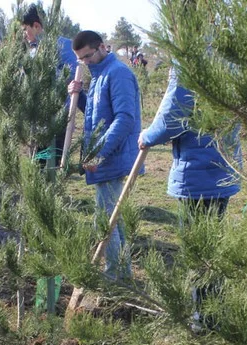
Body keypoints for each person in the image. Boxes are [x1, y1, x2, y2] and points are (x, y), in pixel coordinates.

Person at [139, 67, 241, 328]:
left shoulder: (189, 60)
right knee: (212, 244)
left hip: (198, 172)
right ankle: (213, 313)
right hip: (222, 166)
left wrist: (148, 135)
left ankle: (205, 320)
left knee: (199, 248)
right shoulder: (228, 61)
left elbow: (172, 117)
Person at [68, 31, 141, 280]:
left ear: (101, 47)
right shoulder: (99, 76)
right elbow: (99, 115)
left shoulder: (118, 73)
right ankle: (123, 275)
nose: (85, 62)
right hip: (105, 158)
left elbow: (124, 119)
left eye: (88, 56)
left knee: (106, 221)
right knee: (113, 220)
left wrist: (97, 156)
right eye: (81, 59)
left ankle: (113, 277)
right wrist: (80, 98)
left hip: (114, 159)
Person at [21, 5, 84, 167]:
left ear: (36, 26)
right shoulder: (31, 51)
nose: (24, 35)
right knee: (37, 164)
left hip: (56, 118)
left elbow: (73, 75)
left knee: (51, 166)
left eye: (25, 29)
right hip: (35, 118)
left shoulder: (61, 45)